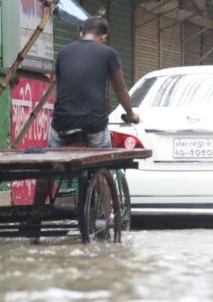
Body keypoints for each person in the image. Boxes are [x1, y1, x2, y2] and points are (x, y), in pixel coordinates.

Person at [33, 17, 140, 226]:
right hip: (94, 125)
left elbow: (62, 87)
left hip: (62, 124)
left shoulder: (63, 53)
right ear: (103, 37)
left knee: (49, 169)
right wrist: (131, 113)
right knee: (102, 168)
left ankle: (33, 219)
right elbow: (120, 89)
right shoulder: (109, 53)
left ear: (80, 34)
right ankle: (108, 221)